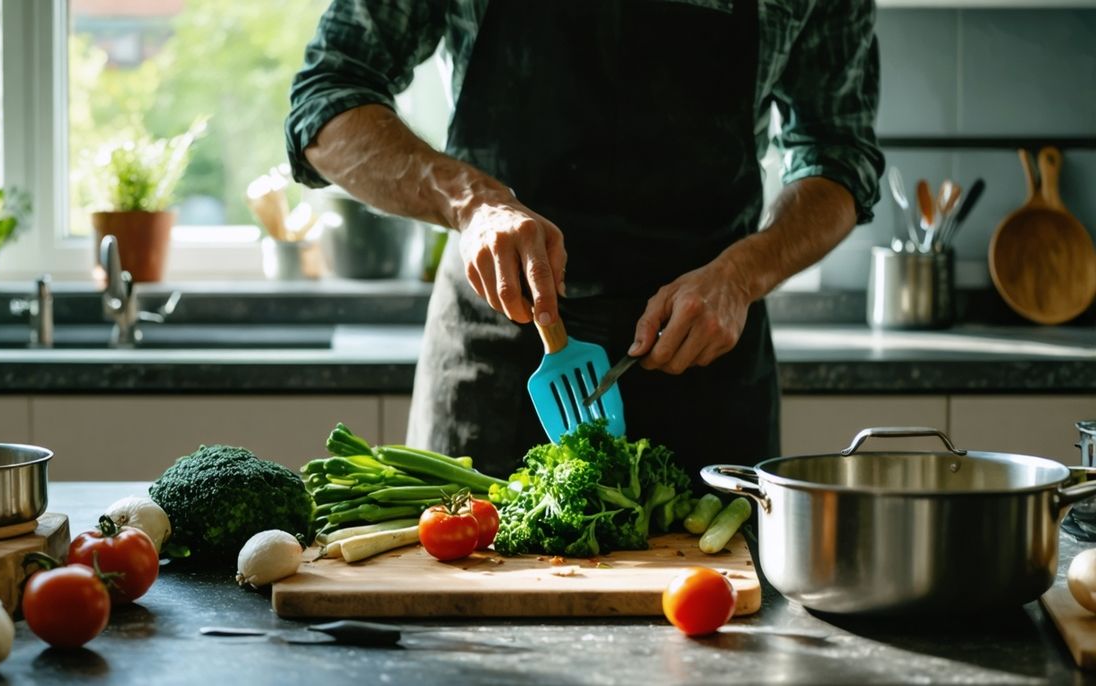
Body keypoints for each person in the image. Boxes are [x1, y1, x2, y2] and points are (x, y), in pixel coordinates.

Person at [286, 0, 884, 478]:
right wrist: (475, 203)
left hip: (708, 355)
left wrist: (741, 275)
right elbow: (328, 98)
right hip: (498, 358)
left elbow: (840, 157)